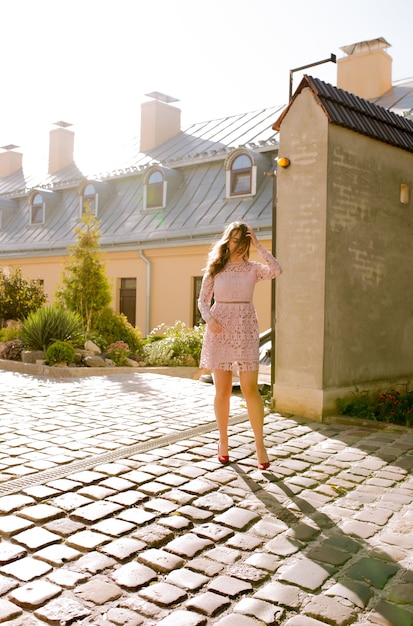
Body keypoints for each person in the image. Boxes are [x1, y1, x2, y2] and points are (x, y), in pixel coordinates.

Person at [198, 221, 282, 469]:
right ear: (227, 241)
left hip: (245, 328)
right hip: (219, 329)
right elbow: (203, 301)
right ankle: (223, 441)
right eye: (234, 239)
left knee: (250, 389)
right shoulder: (215, 269)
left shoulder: (253, 269)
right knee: (222, 391)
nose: (238, 245)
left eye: (242, 240)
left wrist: (258, 245)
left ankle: (260, 444)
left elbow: (276, 270)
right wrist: (210, 319)